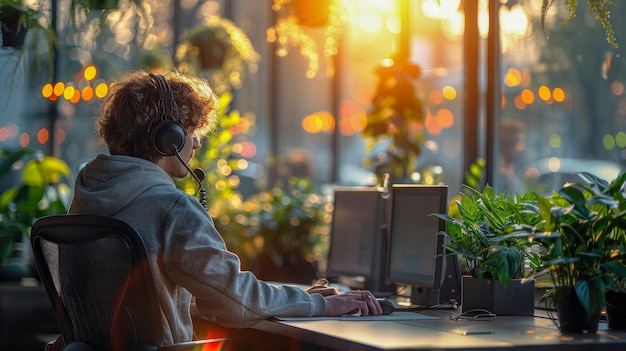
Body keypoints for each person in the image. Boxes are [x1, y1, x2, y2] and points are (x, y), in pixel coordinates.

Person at [67, 70, 382, 345]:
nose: (197, 144)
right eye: (192, 132)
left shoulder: (89, 196)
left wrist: (296, 300)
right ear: (169, 139)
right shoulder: (171, 207)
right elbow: (236, 302)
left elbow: (145, 303)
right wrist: (323, 306)